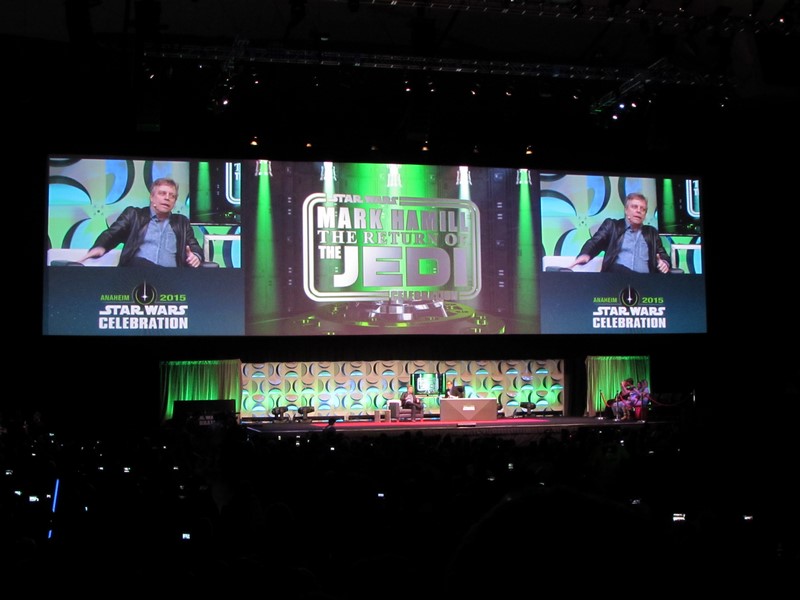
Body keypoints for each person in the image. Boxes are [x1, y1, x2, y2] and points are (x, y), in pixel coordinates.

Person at [82, 177, 204, 267]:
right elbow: (112, 234)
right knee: (138, 262)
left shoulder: (182, 222)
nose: (167, 198)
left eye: (172, 196)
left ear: (174, 202)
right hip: (136, 276)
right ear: (152, 197)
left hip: (170, 280)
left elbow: (194, 246)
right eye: (162, 193)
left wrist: (196, 256)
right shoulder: (134, 215)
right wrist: (101, 246)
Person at [569, 192, 671, 274]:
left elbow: (662, 254)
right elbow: (595, 242)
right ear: (626, 210)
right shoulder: (612, 226)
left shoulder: (651, 232)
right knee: (617, 268)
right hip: (616, 280)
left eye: (643, 209)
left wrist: (665, 263)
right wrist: (586, 254)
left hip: (644, 283)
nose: (639, 211)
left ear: (645, 214)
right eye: (634, 207)